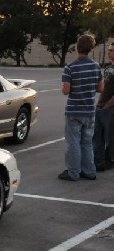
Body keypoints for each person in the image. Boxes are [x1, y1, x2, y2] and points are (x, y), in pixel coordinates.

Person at [59, 34, 104, 181]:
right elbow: (101, 88)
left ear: (77, 47)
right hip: (89, 110)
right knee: (87, 142)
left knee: (73, 142)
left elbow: (66, 90)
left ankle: (73, 172)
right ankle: (89, 171)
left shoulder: (70, 67)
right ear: (91, 48)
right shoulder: (96, 66)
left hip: (74, 110)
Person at [93, 42, 114, 171]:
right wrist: (99, 103)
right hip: (100, 107)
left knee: (110, 137)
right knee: (97, 137)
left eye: (112, 50)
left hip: (110, 109)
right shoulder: (108, 68)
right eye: (110, 50)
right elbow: (104, 88)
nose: (109, 52)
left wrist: (107, 105)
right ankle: (99, 161)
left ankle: (109, 161)